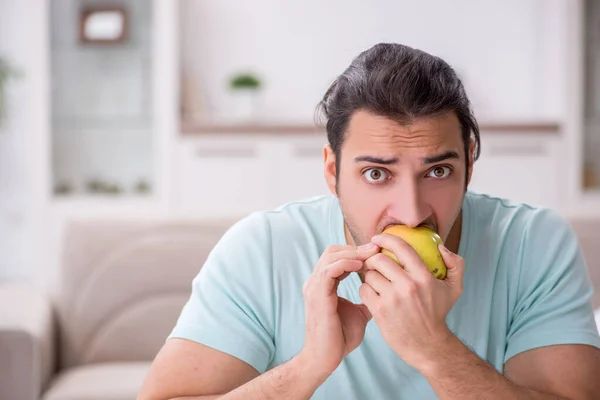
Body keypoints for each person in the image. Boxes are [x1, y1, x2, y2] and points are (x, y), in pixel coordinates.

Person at [138, 43, 600, 399]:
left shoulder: (533, 242)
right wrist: (310, 365)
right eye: (377, 173)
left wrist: (435, 350)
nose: (411, 211)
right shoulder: (261, 247)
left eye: (437, 171)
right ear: (333, 171)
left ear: (469, 167)